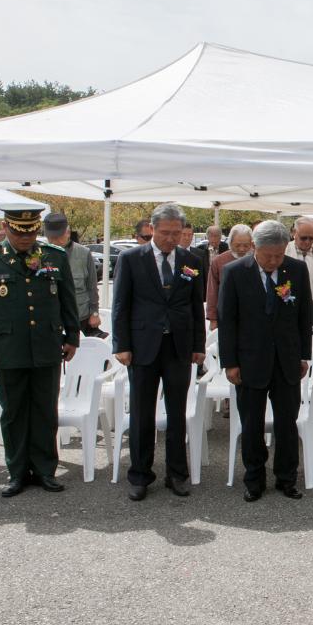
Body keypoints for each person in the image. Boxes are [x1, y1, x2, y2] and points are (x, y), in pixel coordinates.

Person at [0, 204, 79, 497]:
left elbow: (67, 301)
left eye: (30, 231)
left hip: (46, 345)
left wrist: (72, 337)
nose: (25, 237)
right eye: (18, 231)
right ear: (6, 226)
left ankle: (44, 470)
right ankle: (17, 472)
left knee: (44, 410)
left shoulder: (54, 256)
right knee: (14, 411)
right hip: (7, 348)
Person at [112, 203, 206, 501]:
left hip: (178, 346)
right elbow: (121, 306)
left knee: (178, 412)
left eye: (177, 233)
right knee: (142, 412)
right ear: (152, 230)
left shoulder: (191, 260)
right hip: (143, 347)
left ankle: (177, 474)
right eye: (165, 233)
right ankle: (140, 474)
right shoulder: (131, 259)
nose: (171, 239)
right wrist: (122, 345)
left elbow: (195, 307)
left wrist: (198, 346)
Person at [219, 220, 313, 502]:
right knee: (252, 424)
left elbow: (304, 316)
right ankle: (254, 478)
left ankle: (287, 477)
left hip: (286, 360)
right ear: (255, 248)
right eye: (268, 255)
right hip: (250, 361)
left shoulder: (296, 270)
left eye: (279, 255)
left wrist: (303, 355)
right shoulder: (234, 272)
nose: (274, 261)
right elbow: (228, 320)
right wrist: (230, 362)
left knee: (287, 422)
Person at [43, 213, 103, 339]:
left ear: (68, 233)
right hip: (52, 320)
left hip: (80, 317)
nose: (55, 241)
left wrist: (95, 313)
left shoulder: (84, 253)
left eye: (59, 237)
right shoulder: (40, 254)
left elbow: (92, 286)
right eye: (51, 238)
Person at [206, 224, 253, 330]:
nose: (241, 249)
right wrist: (213, 319)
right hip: (226, 315)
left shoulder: (257, 259)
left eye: (246, 245)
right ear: (230, 242)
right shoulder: (218, 261)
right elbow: (212, 292)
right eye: (237, 245)